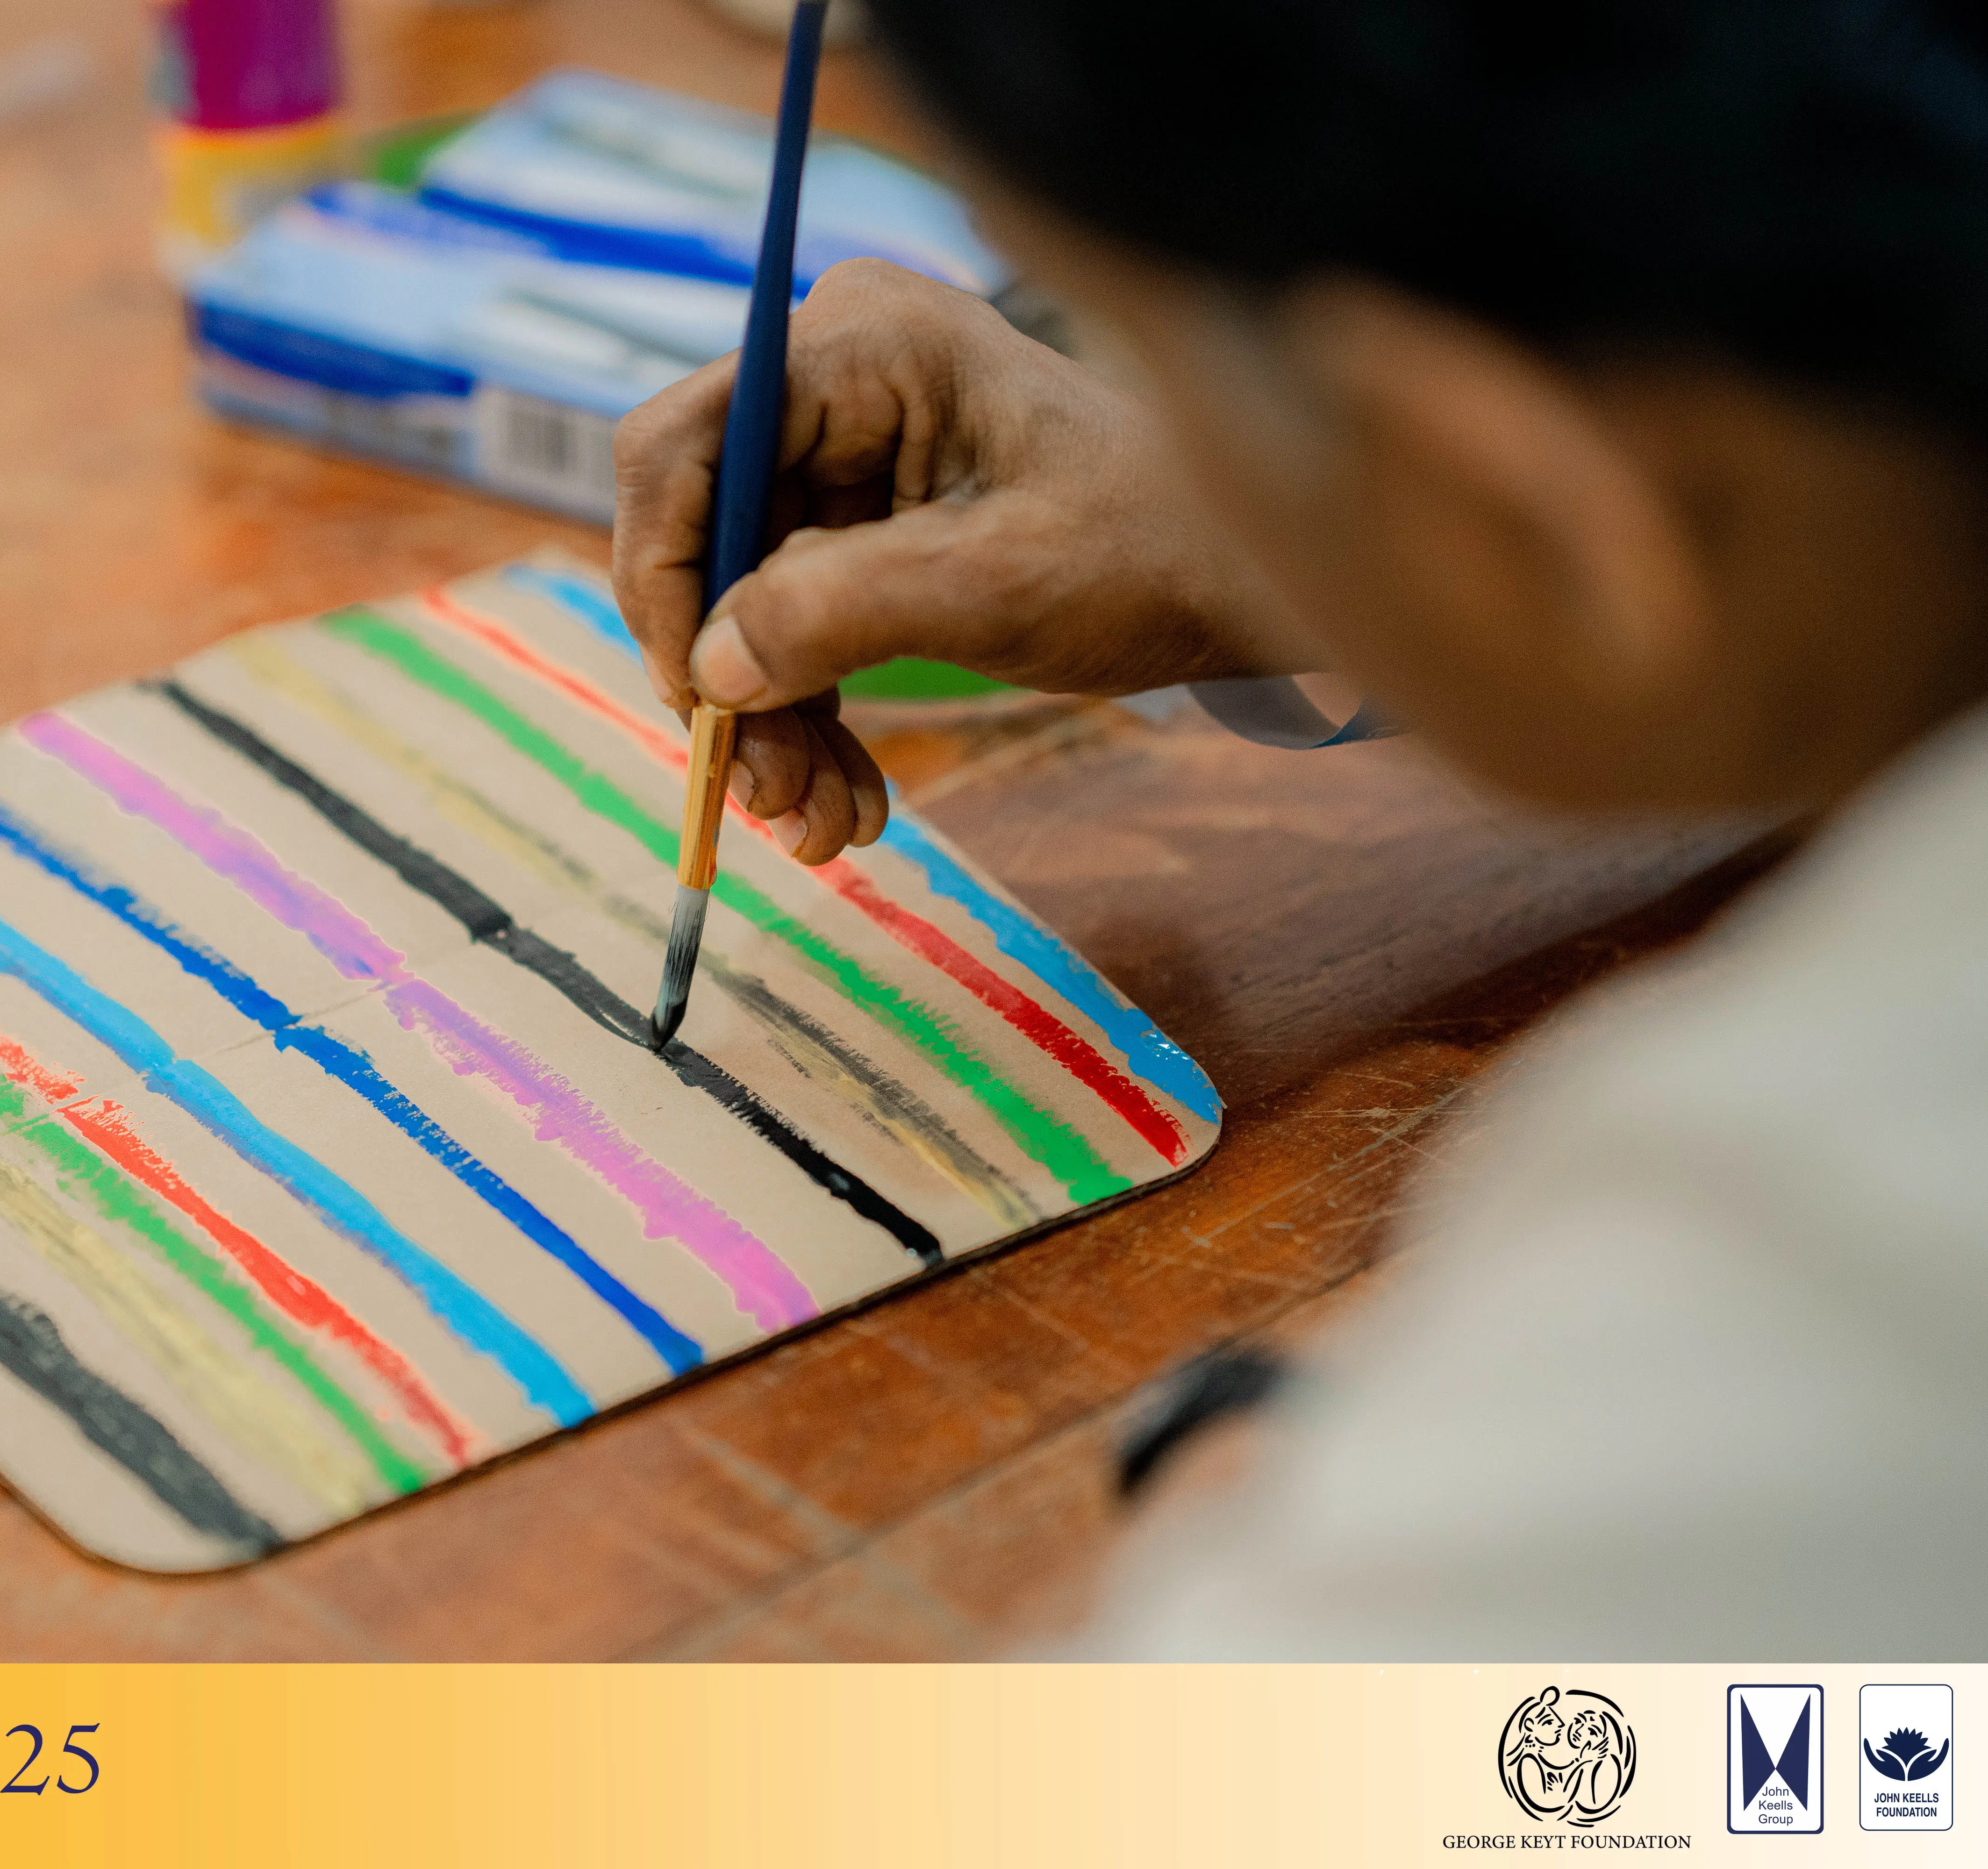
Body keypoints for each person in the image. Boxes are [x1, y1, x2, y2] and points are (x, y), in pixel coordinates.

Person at [611, 0, 1988, 1654]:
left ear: (1511, 487)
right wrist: (1250, 532)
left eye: (1144, 356)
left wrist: (1305, 1495)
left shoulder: (1811, 1273)